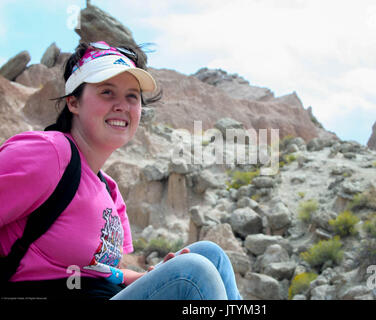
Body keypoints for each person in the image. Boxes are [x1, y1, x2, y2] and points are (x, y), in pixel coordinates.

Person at [0, 41, 242, 300]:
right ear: (73, 103)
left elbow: (102, 272)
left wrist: (149, 276)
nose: (122, 105)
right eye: (107, 92)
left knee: (209, 254)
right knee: (192, 272)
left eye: (132, 96)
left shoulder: (108, 189)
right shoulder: (48, 153)